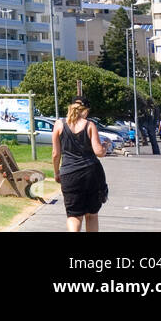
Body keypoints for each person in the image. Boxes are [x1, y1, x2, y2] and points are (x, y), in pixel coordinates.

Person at [52, 96, 107, 233]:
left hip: (69, 174)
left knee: (73, 215)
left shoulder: (59, 124)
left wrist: (56, 173)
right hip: (91, 173)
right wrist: (105, 146)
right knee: (91, 214)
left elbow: (55, 154)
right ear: (86, 111)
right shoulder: (89, 125)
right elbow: (99, 152)